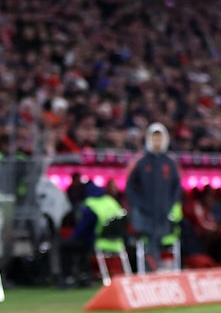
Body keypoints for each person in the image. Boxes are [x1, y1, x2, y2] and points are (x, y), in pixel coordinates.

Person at [125, 122, 181, 272]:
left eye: (159, 138)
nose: (157, 142)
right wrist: (138, 206)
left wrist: (170, 205)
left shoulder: (170, 163)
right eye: (154, 138)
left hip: (163, 214)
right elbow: (130, 188)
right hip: (145, 214)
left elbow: (176, 188)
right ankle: (151, 271)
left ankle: (160, 269)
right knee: (149, 243)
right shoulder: (141, 162)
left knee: (160, 241)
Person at [57, 181, 126, 286]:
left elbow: (82, 228)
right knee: (81, 247)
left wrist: (72, 237)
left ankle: (69, 277)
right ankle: (84, 275)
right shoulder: (111, 202)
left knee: (66, 246)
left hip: (98, 241)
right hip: (118, 242)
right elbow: (123, 220)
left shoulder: (91, 205)